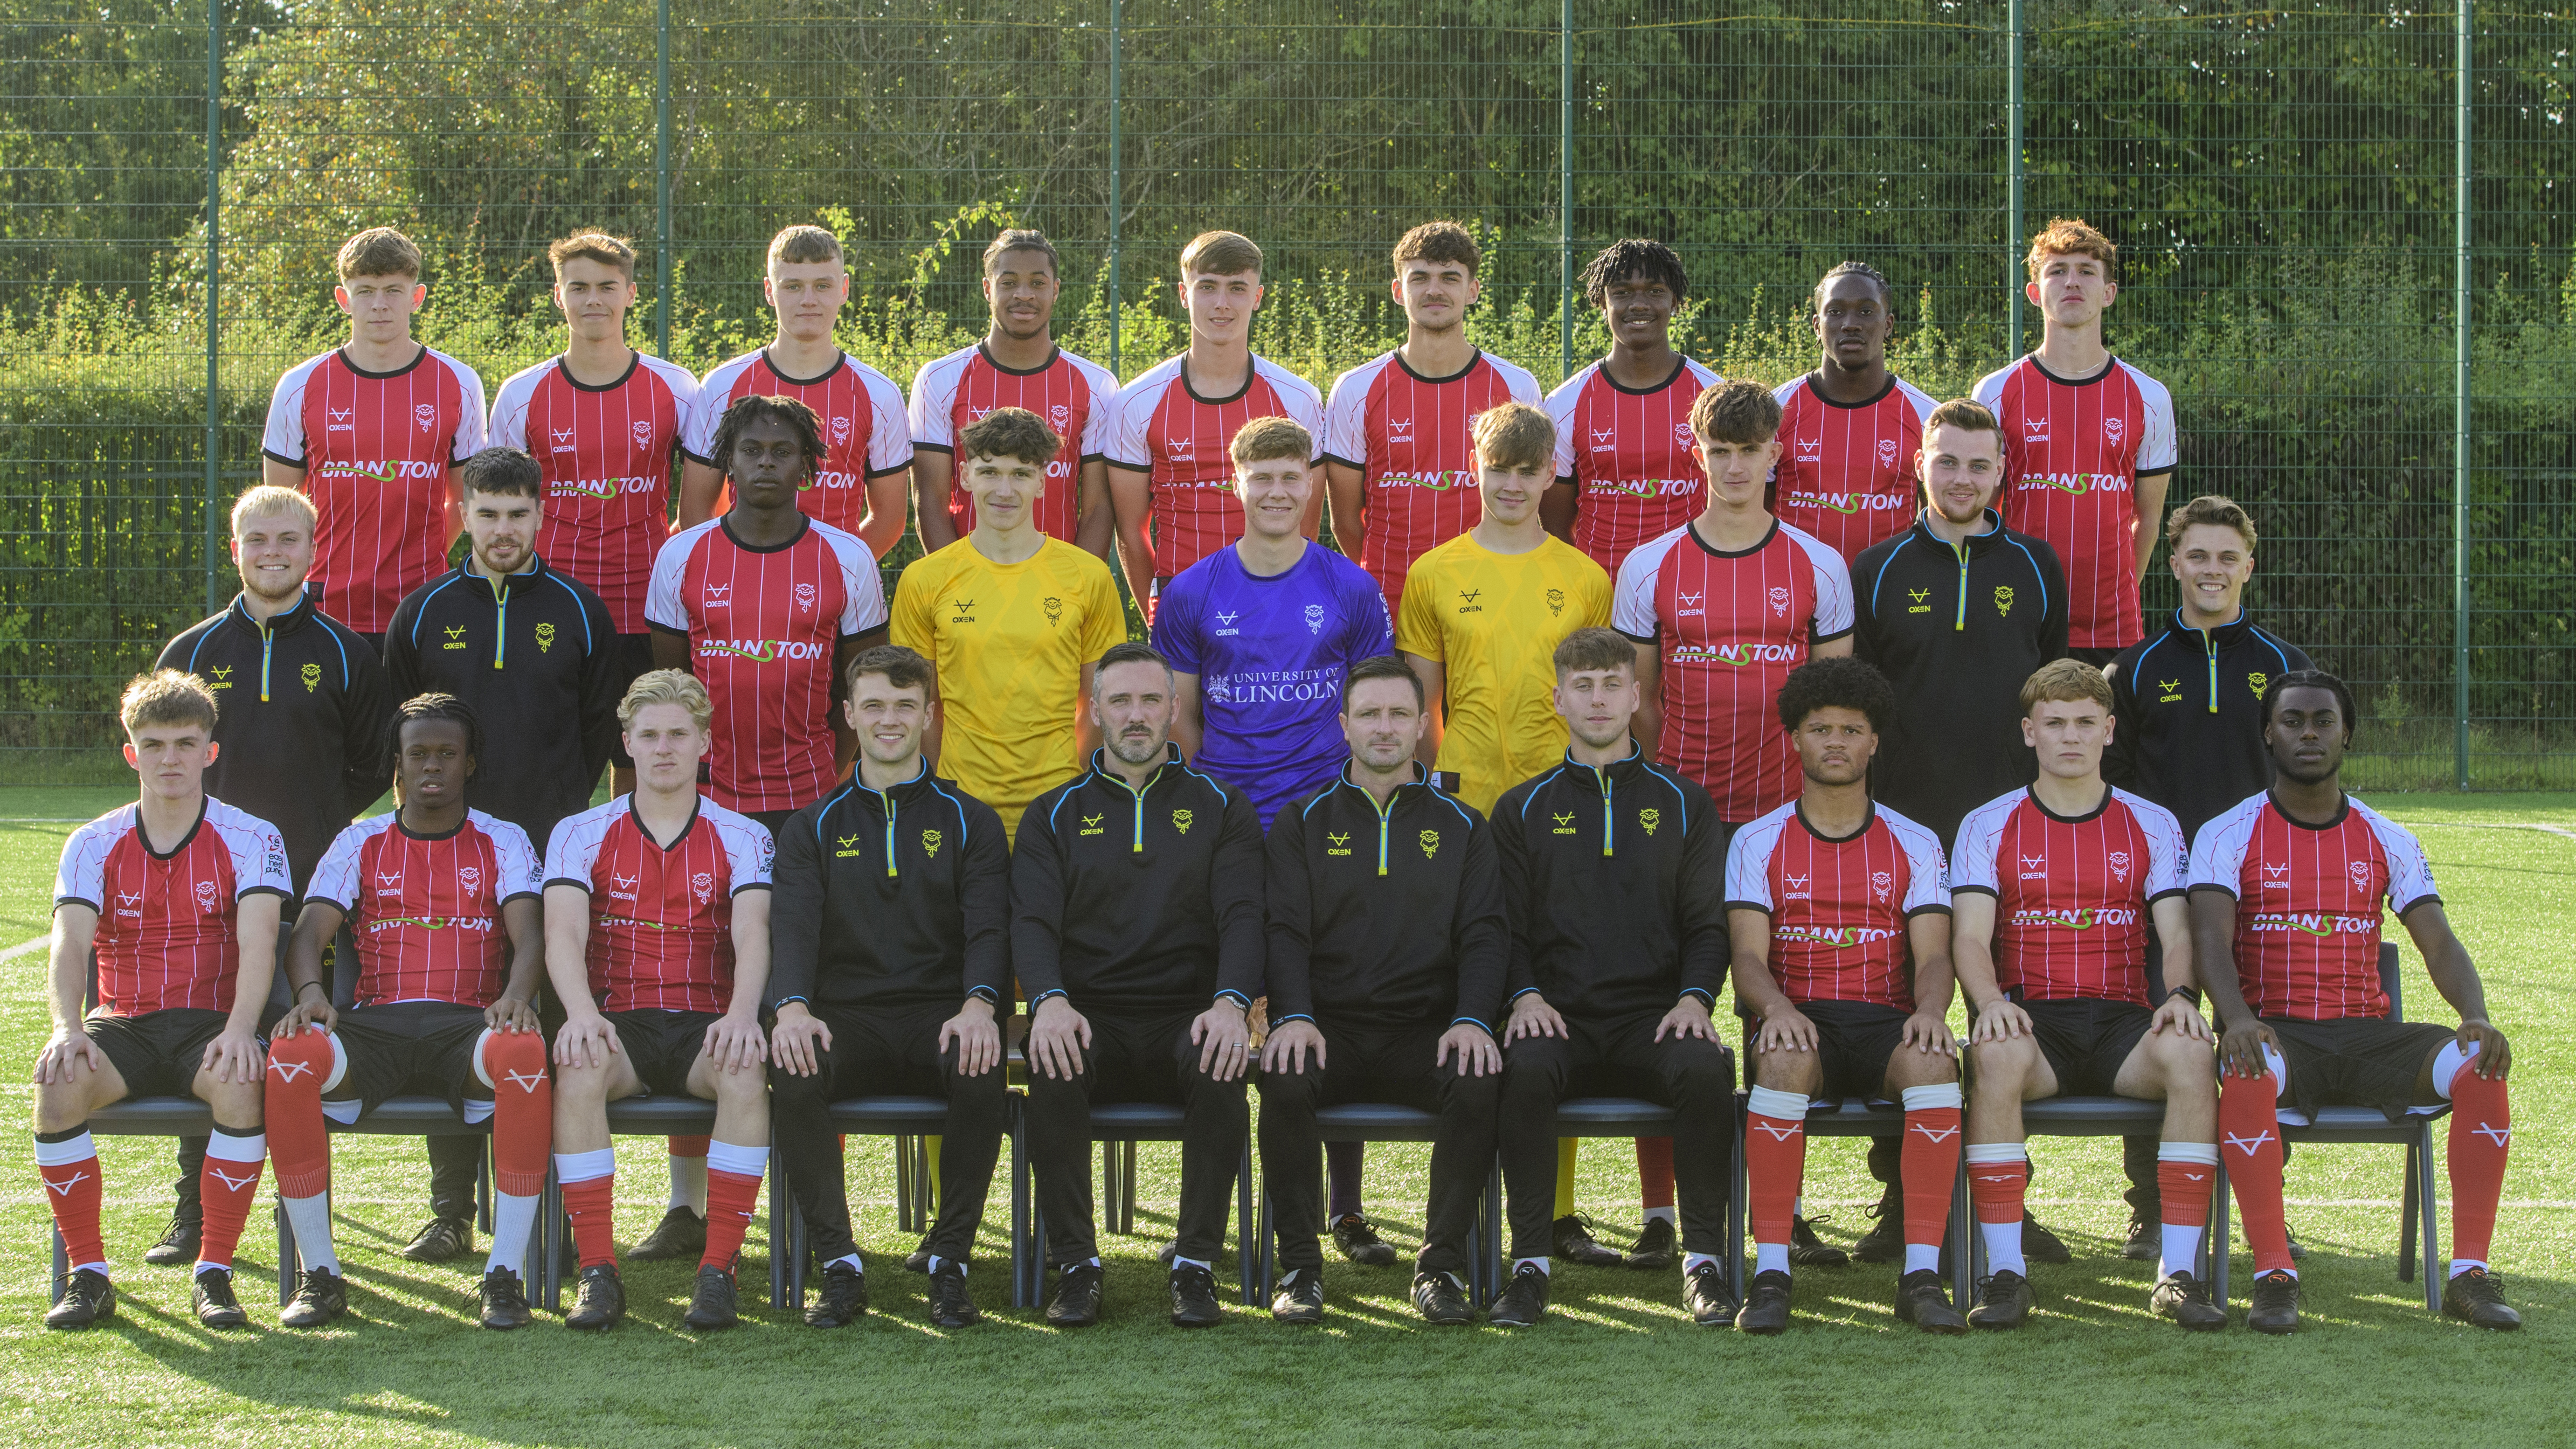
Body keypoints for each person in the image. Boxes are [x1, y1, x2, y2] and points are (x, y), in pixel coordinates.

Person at [2191, 670, 2519, 1332]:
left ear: (2347, 735)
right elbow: (2208, 941)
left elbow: (2439, 944)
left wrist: (2475, 1015)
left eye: (2322, 721)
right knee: (2248, 1068)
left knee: (2479, 1063)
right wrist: (2237, 1019)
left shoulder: (2386, 834)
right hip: (2280, 1036)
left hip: (2367, 1037)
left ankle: (2469, 1274)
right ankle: (2273, 1273)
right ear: (2268, 734)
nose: (2307, 733)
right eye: (2292, 721)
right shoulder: (2228, 832)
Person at [1150, 414, 1396, 1262]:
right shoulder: (1191, 591)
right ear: (1237, 483)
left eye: (1295, 478)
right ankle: (1211, 1223)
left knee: (1320, 995)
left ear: (1314, 486)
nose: (1279, 493)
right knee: (1223, 998)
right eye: (1263, 478)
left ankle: (1346, 1207)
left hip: (1326, 818)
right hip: (1227, 819)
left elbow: (1376, 708)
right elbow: (1181, 716)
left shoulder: (1352, 587)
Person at [150, 485, 392, 1268]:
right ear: (236, 551)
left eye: (288, 540)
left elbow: (371, 765)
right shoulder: (189, 654)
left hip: (311, 893)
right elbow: (166, 770)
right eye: (258, 541)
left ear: (312, 550)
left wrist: (315, 822)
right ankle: (191, 1215)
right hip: (206, 893)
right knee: (207, 1037)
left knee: (296, 1047)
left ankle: (318, 1217)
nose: (273, 553)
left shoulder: (349, 653)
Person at [259, 693, 549, 1330]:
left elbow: (533, 939)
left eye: (448, 753)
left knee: (525, 1052)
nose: (433, 766)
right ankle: (322, 1273)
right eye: (418, 753)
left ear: (471, 763)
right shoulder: (360, 839)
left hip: (469, 1027)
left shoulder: (503, 838)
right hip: (377, 1024)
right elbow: (307, 936)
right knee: (290, 1055)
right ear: (397, 763)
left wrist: (518, 999)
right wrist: (311, 995)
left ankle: (505, 1275)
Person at [1948, 660, 2220, 1330]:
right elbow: (1969, 939)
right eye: (2055, 723)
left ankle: (2178, 1273)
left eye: (2084, 723)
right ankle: (2005, 1272)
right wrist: (1988, 1004)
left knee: (2190, 1054)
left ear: (2108, 730)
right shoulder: (1987, 823)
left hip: (2125, 1024)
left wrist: (2181, 995)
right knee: (1995, 1057)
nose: (2070, 736)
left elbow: (2177, 930)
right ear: (2028, 731)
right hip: (2035, 1023)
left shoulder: (2152, 822)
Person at [1013, 642, 1266, 1328]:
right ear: (1093, 710)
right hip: (1087, 1013)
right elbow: (1031, 923)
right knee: (1052, 1059)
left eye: (1150, 700)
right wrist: (1050, 1002)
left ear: (1174, 708)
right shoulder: (1053, 812)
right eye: (1119, 700)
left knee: (1222, 1061)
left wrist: (1229, 1004)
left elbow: (1245, 917)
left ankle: (1194, 1265)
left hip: (1186, 1014)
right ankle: (1077, 1264)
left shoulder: (1221, 806)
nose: (1135, 715)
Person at [1491, 628, 1738, 1327]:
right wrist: (1525, 994)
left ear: (1637, 694)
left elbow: (1709, 923)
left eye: (1611, 686)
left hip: (1653, 1018)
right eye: (1582, 686)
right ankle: (1530, 1266)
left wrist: (1695, 997)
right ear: (1558, 698)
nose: (1597, 700)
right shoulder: (1522, 809)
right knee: (1524, 1070)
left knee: (1705, 1069)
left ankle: (1705, 1265)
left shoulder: (1687, 805)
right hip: (1557, 1016)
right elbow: (1502, 927)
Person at [767, 645, 1013, 1330]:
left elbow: (990, 931)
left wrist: (978, 1006)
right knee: (793, 1064)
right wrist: (790, 1009)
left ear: (929, 714)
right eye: (874, 705)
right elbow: (792, 932)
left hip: (940, 1013)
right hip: (845, 1017)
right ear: (849, 714)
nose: (889, 719)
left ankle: (951, 1260)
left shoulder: (973, 821)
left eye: (906, 706)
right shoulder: (811, 827)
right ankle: (840, 1263)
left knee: (982, 1060)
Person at [34, 671, 289, 1330]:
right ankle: (89, 1275)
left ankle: (214, 1272)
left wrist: (241, 1029)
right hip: (124, 1022)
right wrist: (67, 1029)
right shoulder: (91, 841)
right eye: (154, 744)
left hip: (212, 1024)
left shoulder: (253, 835)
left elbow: (261, 945)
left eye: (185, 742)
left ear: (210, 751)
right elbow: (69, 947)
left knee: (240, 1083)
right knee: (58, 1084)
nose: (169, 758)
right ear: (131, 753)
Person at [1257, 655, 1506, 1326]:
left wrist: (1473, 1019)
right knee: (1281, 1072)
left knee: (1478, 1074)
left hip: (1423, 1031)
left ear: (1424, 724)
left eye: (1400, 713)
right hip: (1328, 1028)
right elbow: (1283, 932)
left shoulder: (1462, 826)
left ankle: (1440, 1268)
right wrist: (1295, 1015)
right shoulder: (1301, 821)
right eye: (1369, 713)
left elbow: (1484, 936)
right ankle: (1301, 1268)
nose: (1385, 727)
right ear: (1343, 725)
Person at [1726, 657, 1964, 1334]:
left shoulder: (1915, 841)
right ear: (1795, 739)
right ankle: (1772, 1272)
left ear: (1874, 742)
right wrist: (1774, 1010)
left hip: (1887, 1019)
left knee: (1933, 1065)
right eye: (1819, 728)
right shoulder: (1755, 838)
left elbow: (1935, 954)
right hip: (1801, 1018)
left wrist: (1926, 1014)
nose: (1835, 741)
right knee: (1779, 1065)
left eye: (1851, 730)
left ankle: (1920, 1274)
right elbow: (1746, 954)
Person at [2101, 495, 2311, 1259]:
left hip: (2261, 888)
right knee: (2165, 1031)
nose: (2212, 570)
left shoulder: (2288, 667)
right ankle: (2151, 1208)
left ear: (2248, 567)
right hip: (2159, 894)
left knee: (2256, 1039)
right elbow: (2114, 783)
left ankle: (2263, 1203)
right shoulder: (2136, 667)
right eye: (2198, 555)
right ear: (2175, 562)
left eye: (2228, 557)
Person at [542, 670, 777, 1332]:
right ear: (628, 743)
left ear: (705, 742)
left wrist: (740, 1014)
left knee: (744, 1069)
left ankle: (719, 1267)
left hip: (707, 1024)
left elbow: (753, 933)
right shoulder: (580, 831)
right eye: (650, 735)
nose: (664, 747)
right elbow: (562, 932)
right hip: (621, 1025)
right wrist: (583, 1015)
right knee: (579, 1067)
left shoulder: (745, 834)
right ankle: (597, 1270)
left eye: (679, 734)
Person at [487, 231, 701, 795]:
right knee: (550, 744)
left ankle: (631, 868)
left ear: (632, 293)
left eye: (607, 286)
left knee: (639, 751)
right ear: (558, 296)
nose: (593, 300)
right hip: (550, 601)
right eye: (578, 287)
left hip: (644, 602)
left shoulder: (677, 388)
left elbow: (705, 505)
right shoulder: (521, 392)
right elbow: (499, 510)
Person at [1615, 379, 1853, 826]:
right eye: (1720, 451)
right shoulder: (1646, 565)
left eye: (1749, 449)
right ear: (1698, 456)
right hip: (1681, 804)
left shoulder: (1823, 565)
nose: (1735, 466)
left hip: (1789, 807)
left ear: (1774, 455)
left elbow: (1830, 703)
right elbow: (1640, 701)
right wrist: (1663, 782)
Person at [648, 394, 887, 836]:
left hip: (810, 793)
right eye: (751, 450)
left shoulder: (850, 557)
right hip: (706, 794)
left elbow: (861, 685)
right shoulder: (679, 555)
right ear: (729, 462)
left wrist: (826, 770)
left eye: (782, 453)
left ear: (806, 467)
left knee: (796, 908)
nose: (766, 463)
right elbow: (672, 682)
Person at [890, 406, 1127, 841]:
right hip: (961, 812)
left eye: (1020, 473)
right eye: (989, 471)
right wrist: (942, 794)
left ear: (1042, 481)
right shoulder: (924, 580)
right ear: (964, 475)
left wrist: (1075, 787)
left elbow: (1102, 706)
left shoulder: (1087, 577)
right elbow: (920, 708)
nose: (1004, 489)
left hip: (1059, 810)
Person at [1849, 398, 2069, 848]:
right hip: (1903, 816)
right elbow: (1859, 701)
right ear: (1919, 464)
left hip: (2013, 817)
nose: (1963, 480)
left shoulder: (2038, 565)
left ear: (2001, 470)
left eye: (1978, 465)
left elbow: (2052, 691)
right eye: (1947, 463)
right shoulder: (1876, 569)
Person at [383, 447, 621, 852]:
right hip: (448, 834)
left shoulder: (582, 611)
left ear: (541, 515)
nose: (503, 530)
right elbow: (400, 721)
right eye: (488, 514)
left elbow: (598, 726)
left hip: (552, 834)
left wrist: (562, 792)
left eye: (518, 514)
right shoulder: (421, 612)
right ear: (464, 514)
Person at [259, 226, 487, 642]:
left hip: (424, 602)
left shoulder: (459, 382)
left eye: (393, 290)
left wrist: (422, 554)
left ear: (416, 297)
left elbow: (467, 501)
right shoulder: (299, 384)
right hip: (323, 603)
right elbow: (280, 508)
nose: (379, 305)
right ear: (343, 299)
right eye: (365, 291)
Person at [1972, 218, 2176, 665]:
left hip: (2113, 625)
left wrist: (2115, 591)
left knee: (2098, 735)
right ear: (2033, 292)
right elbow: (1980, 513)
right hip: (2016, 615)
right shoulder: (1995, 392)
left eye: (2086, 270)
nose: (2071, 282)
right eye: (2057, 270)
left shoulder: (2150, 397)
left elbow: (2149, 519)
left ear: (2109, 292)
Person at [1397, 401, 1614, 815]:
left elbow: (1595, 701)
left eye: (1528, 471)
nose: (1513, 485)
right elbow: (1423, 707)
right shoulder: (1432, 573)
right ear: (1474, 463)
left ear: (1551, 473)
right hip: (1464, 793)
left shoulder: (1588, 579)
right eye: (1499, 468)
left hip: (1558, 792)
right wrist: (1433, 790)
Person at [1322, 221, 1542, 618]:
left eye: (1450, 277)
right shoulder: (1356, 389)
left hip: (1491, 596)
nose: (1434, 290)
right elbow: (1345, 522)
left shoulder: (1516, 387)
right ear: (1398, 291)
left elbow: (1527, 501)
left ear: (1472, 290)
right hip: (1389, 601)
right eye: (1420, 277)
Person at [1106, 231, 1325, 615]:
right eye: (1207, 287)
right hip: (1182, 598)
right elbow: (1131, 532)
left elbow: (1306, 521)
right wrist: (1157, 615)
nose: (1222, 304)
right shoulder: (1136, 402)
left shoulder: (1298, 398)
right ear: (1183, 293)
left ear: (1257, 298)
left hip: (1274, 599)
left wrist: (1287, 596)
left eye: (1237, 288)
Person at [679, 224, 911, 557]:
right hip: (740, 585)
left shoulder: (880, 394)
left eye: (822, 285)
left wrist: (836, 572)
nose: (808, 300)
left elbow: (889, 521)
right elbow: (696, 514)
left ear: (844, 289)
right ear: (769, 291)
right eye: (793, 286)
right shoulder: (721, 386)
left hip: (834, 595)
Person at [910, 227, 1120, 557]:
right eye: (1008, 283)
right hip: (970, 586)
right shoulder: (939, 379)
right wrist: (957, 582)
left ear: (1055, 290)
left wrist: (1077, 587)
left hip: (1056, 586)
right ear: (987, 290)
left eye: (1038, 283)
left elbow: (1098, 509)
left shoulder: (1097, 385)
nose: (1024, 294)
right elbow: (931, 503)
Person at [1542, 238, 1725, 576]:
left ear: (1676, 301)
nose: (1639, 304)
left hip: (1692, 587)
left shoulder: (1714, 395)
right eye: (1623, 292)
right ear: (1601, 301)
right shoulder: (1565, 403)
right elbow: (1554, 522)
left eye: (1655, 291)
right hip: (1598, 591)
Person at [1768, 262, 1939, 565]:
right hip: (1793, 591)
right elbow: (1755, 512)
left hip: (1889, 592)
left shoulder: (1927, 417)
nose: (1850, 324)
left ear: (1888, 325)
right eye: (1835, 312)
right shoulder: (1774, 411)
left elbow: (1938, 523)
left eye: (1866, 311)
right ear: (1817, 326)